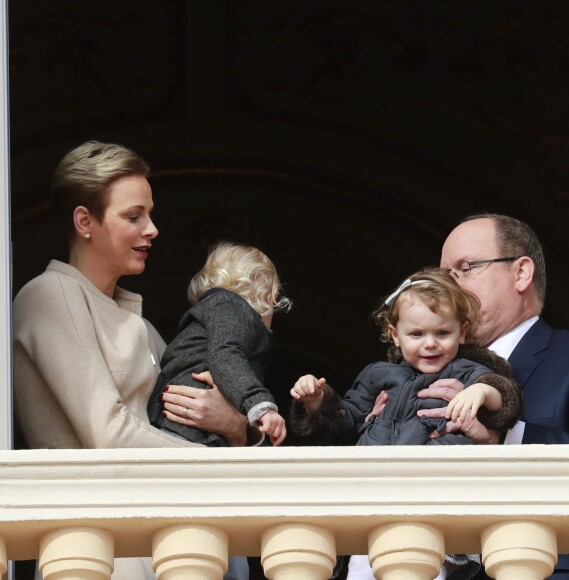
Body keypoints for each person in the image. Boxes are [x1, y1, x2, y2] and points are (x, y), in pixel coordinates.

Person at [12, 141, 257, 580]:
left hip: (169, 539)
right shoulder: (51, 295)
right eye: (133, 216)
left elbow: (199, 417)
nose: (153, 229)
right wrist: (218, 468)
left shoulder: (140, 325)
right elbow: (109, 433)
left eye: (149, 213)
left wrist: (237, 428)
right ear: (85, 221)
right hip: (103, 550)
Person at [290, 268, 522, 580]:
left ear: (462, 332)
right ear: (394, 334)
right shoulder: (377, 374)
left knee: (423, 564)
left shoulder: (467, 371)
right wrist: (315, 401)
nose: (430, 344)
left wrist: (483, 392)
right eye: (416, 334)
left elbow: (505, 399)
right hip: (373, 491)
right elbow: (344, 424)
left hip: (432, 494)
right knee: (364, 565)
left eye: (442, 333)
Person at [433, 213, 569, 579]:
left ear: (521, 273)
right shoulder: (424, 372)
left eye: (464, 268)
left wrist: (504, 436)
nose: (446, 289)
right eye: (442, 276)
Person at [148, 241, 290, 447]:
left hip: (182, 427)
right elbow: (226, 353)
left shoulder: (217, 310)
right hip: (188, 431)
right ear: (266, 295)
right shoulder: (230, 306)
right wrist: (260, 403)